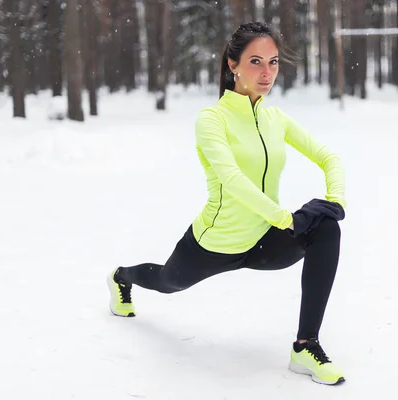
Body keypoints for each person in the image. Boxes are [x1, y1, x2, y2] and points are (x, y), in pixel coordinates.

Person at [107, 22, 347, 386]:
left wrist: (336, 202)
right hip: (214, 243)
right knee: (167, 282)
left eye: (273, 62)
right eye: (255, 62)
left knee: (326, 228)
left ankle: (305, 345)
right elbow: (233, 181)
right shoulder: (212, 120)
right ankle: (121, 277)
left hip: (265, 240)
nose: (267, 73)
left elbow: (329, 157)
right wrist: (285, 217)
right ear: (233, 65)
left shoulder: (274, 117)